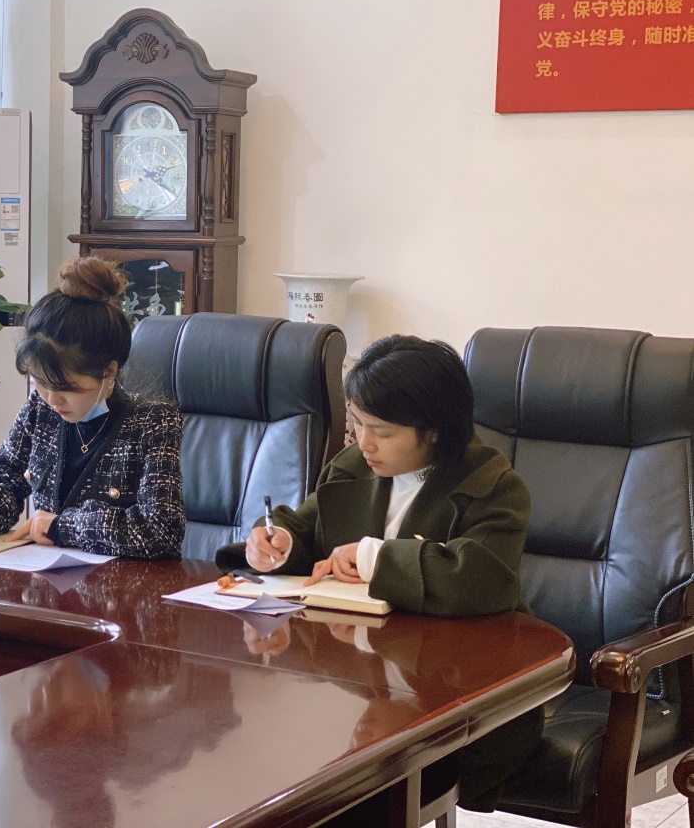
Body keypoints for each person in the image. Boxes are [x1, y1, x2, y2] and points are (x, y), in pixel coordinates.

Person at [215, 334, 539, 813]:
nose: (364, 442)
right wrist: (276, 545)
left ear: (434, 430)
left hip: (459, 692)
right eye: (357, 423)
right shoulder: (354, 467)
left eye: (382, 432)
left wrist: (372, 557)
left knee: (353, 797)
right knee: (279, 773)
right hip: (365, 676)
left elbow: (478, 580)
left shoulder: (492, 485)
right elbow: (306, 531)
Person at [0, 256, 184, 559]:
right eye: (39, 383)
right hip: (45, 580)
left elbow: (162, 531)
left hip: (122, 585)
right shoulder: (40, 411)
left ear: (108, 372)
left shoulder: (152, 423)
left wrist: (62, 526)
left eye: (67, 389)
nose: (52, 399)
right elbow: (2, 477)